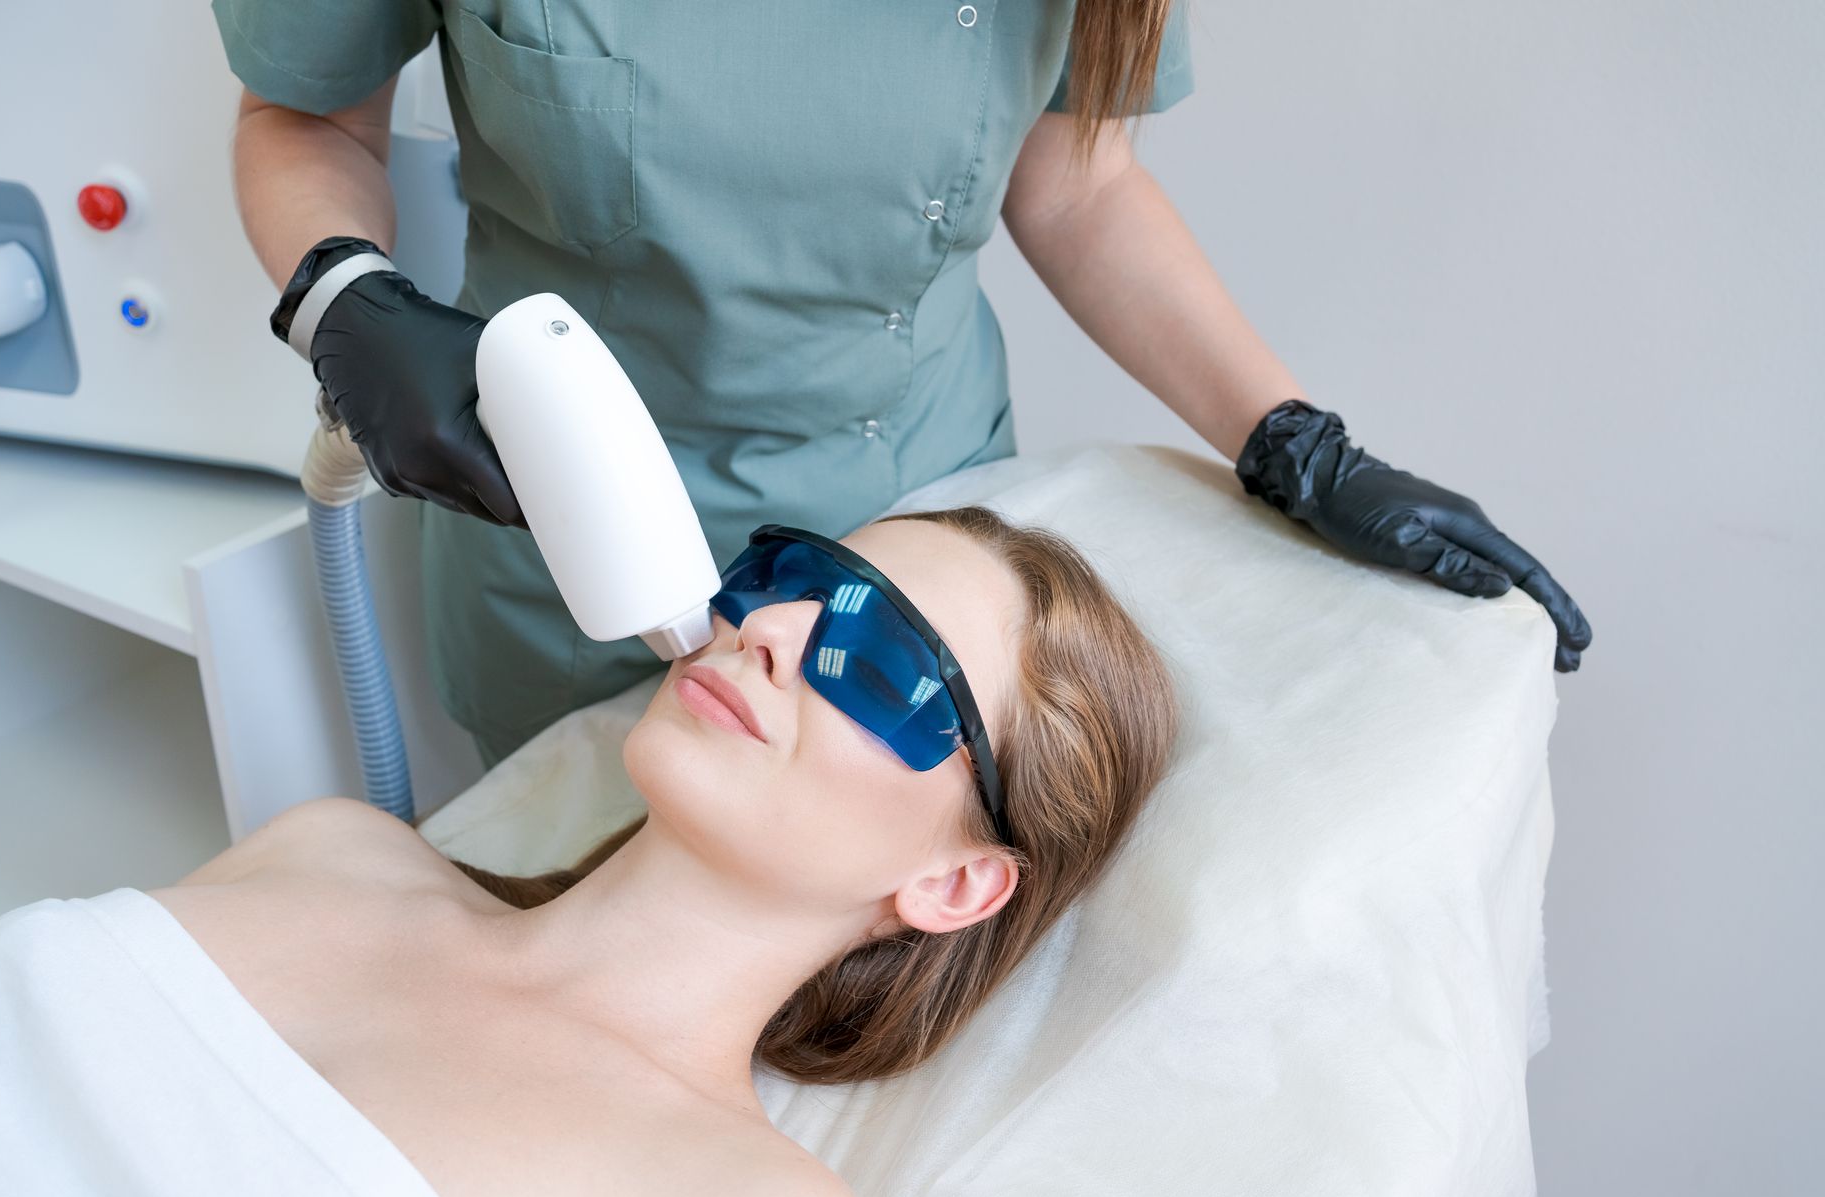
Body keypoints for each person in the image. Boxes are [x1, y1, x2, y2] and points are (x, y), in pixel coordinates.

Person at [214, 0, 1591, 772]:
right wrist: (346, 297)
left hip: (923, 546)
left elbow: (1081, 178)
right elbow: (302, 114)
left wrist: (1294, 442)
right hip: (573, 538)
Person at [0, 506, 1179, 1197]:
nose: (775, 631)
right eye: (794, 578)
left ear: (956, 881)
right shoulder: (335, 848)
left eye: (882, 662)